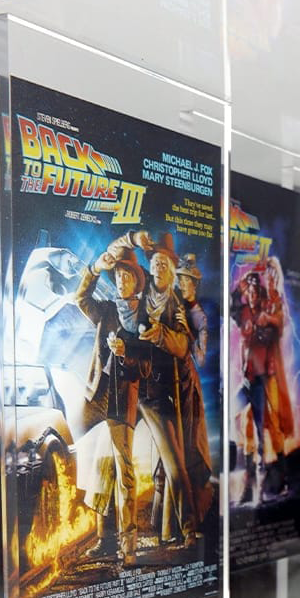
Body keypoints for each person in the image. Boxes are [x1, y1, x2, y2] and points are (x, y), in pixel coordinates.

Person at [74, 235, 153, 568]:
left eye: (126, 276)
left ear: (136, 281)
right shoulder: (105, 309)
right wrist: (94, 268)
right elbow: (80, 298)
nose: (121, 280)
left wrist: (126, 352)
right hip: (98, 397)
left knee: (124, 472)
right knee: (96, 465)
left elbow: (146, 368)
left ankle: (128, 547)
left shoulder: (145, 318)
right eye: (118, 275)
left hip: (123, 400)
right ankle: (104, 539)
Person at [134, 232, 199, 546]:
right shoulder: (138, 291)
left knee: (172, 463)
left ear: (172, 270)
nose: (159, 267)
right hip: (130, 387)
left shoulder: (176, 305)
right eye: (155, 262)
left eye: (164, 263)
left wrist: (161, 333)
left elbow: (183, 345)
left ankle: (182, 529)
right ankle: (160, 529)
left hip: (158, 394)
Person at [234, 267, 294, 504]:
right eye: (248, 292)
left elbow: (278, 322)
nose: (251, 295)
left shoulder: (270, 308)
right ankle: (250, 484)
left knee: (272, 424)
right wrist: (243, 284)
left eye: (254, 291)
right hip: (250, 379)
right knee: (245, 423)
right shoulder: (245, 313)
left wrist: (267, 319)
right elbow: (233, 304)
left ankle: (282, 479)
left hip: (267, 378)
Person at [171, 253, 214, 529]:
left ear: (194, 284)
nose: (181, 284)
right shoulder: (173, 303)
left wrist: (186, 331)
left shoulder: (199, 317)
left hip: (188, 385)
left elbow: (200, 358)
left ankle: (195, 514)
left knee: (190, 447)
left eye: (186, 280)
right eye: (179, 279)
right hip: (169, 380)